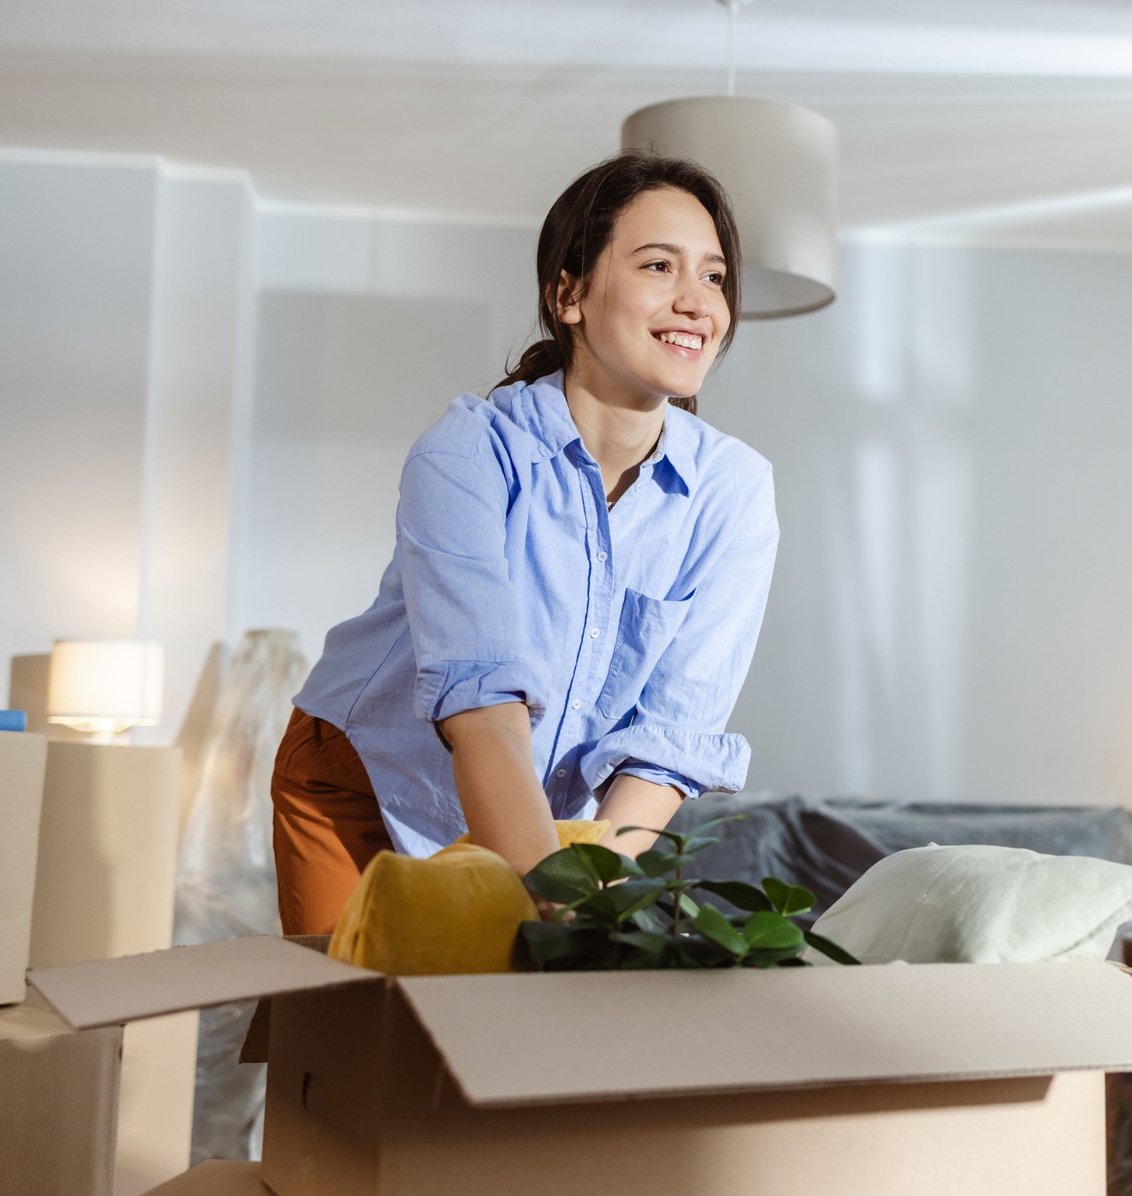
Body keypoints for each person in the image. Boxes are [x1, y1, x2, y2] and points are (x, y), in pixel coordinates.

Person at [270, 152, 778, 936]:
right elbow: (484, 713)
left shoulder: (732, 492)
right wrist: (552, 896)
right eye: (658, 265)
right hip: (365, 777)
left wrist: (587, 903)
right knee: (361, 1032)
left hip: (529, 811)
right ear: (567, 293)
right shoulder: (468, 451)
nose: (696, 302)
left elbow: (668, 742)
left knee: (511, 1024)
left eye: (713, 277)